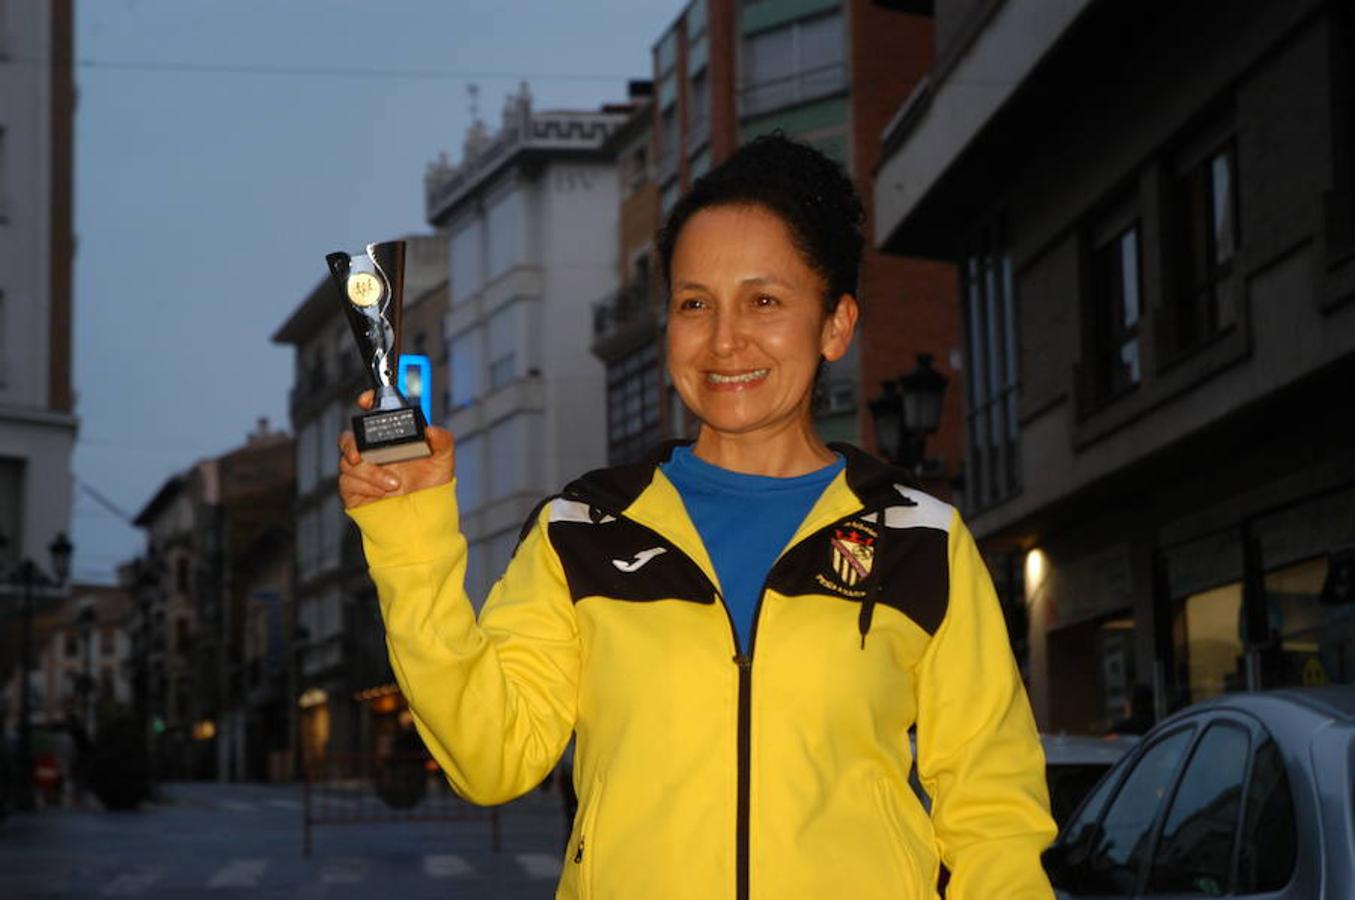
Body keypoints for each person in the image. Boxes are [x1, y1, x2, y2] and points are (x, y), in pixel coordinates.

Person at [339, 134, 1056, 899]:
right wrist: (408, 534)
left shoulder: (920, 540)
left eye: (765, 301)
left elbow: (991, 817)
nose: (722, 340)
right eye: (693, 304)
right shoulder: (582, 529)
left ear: (835, 325)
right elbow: (490, 758)